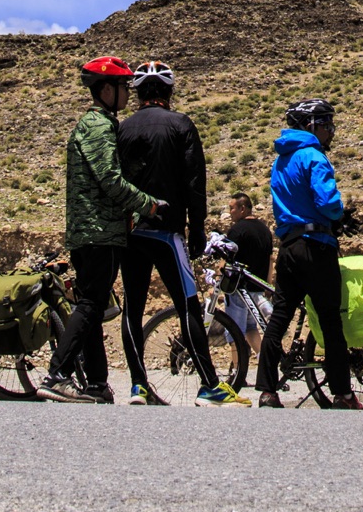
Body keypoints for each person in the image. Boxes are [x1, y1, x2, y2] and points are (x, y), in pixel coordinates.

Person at [117, 60, 240, 406]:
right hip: (167, 232)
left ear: (138, 93)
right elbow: (194, 183)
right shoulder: (182, 124)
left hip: (131, 232)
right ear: (169, 92)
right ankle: (209, 385)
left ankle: (138, 385)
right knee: (187, 305)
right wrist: (196, 228)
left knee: (132, 308)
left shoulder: (123, 129)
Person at [42, 56, 163, 405]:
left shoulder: (98, 124)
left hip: (89, 232)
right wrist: (148, 204)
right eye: (124, 87)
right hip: (100, 232)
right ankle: (59, 374)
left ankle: (96, 383)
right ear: (107, 89)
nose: (128, 93)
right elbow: (110, 180)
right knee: (91, 304)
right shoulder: (98, 126)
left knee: (91, 305)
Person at [257, 98, 358, 409]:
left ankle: (267, 390)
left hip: (288, 247)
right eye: (326, 123)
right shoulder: (313, 156)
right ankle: (342, 393)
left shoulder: (281, 160)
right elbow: (327, 201)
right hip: (317, 246)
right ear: (311, 125)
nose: (331, 130)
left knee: (280, 318)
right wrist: (339, 215)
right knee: (330, 320)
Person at [221, 193, 275, 357]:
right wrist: (268, 284)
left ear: (242, 208)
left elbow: (226, 260)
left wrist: (219, 280)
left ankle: (238, 372)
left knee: (235, 332)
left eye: (232, 208)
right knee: (251, 328)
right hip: (257, 289)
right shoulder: (265, 230)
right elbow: (270, 259)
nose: (230, 212)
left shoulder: (237, 230)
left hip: (238, 290)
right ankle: (264, 364)